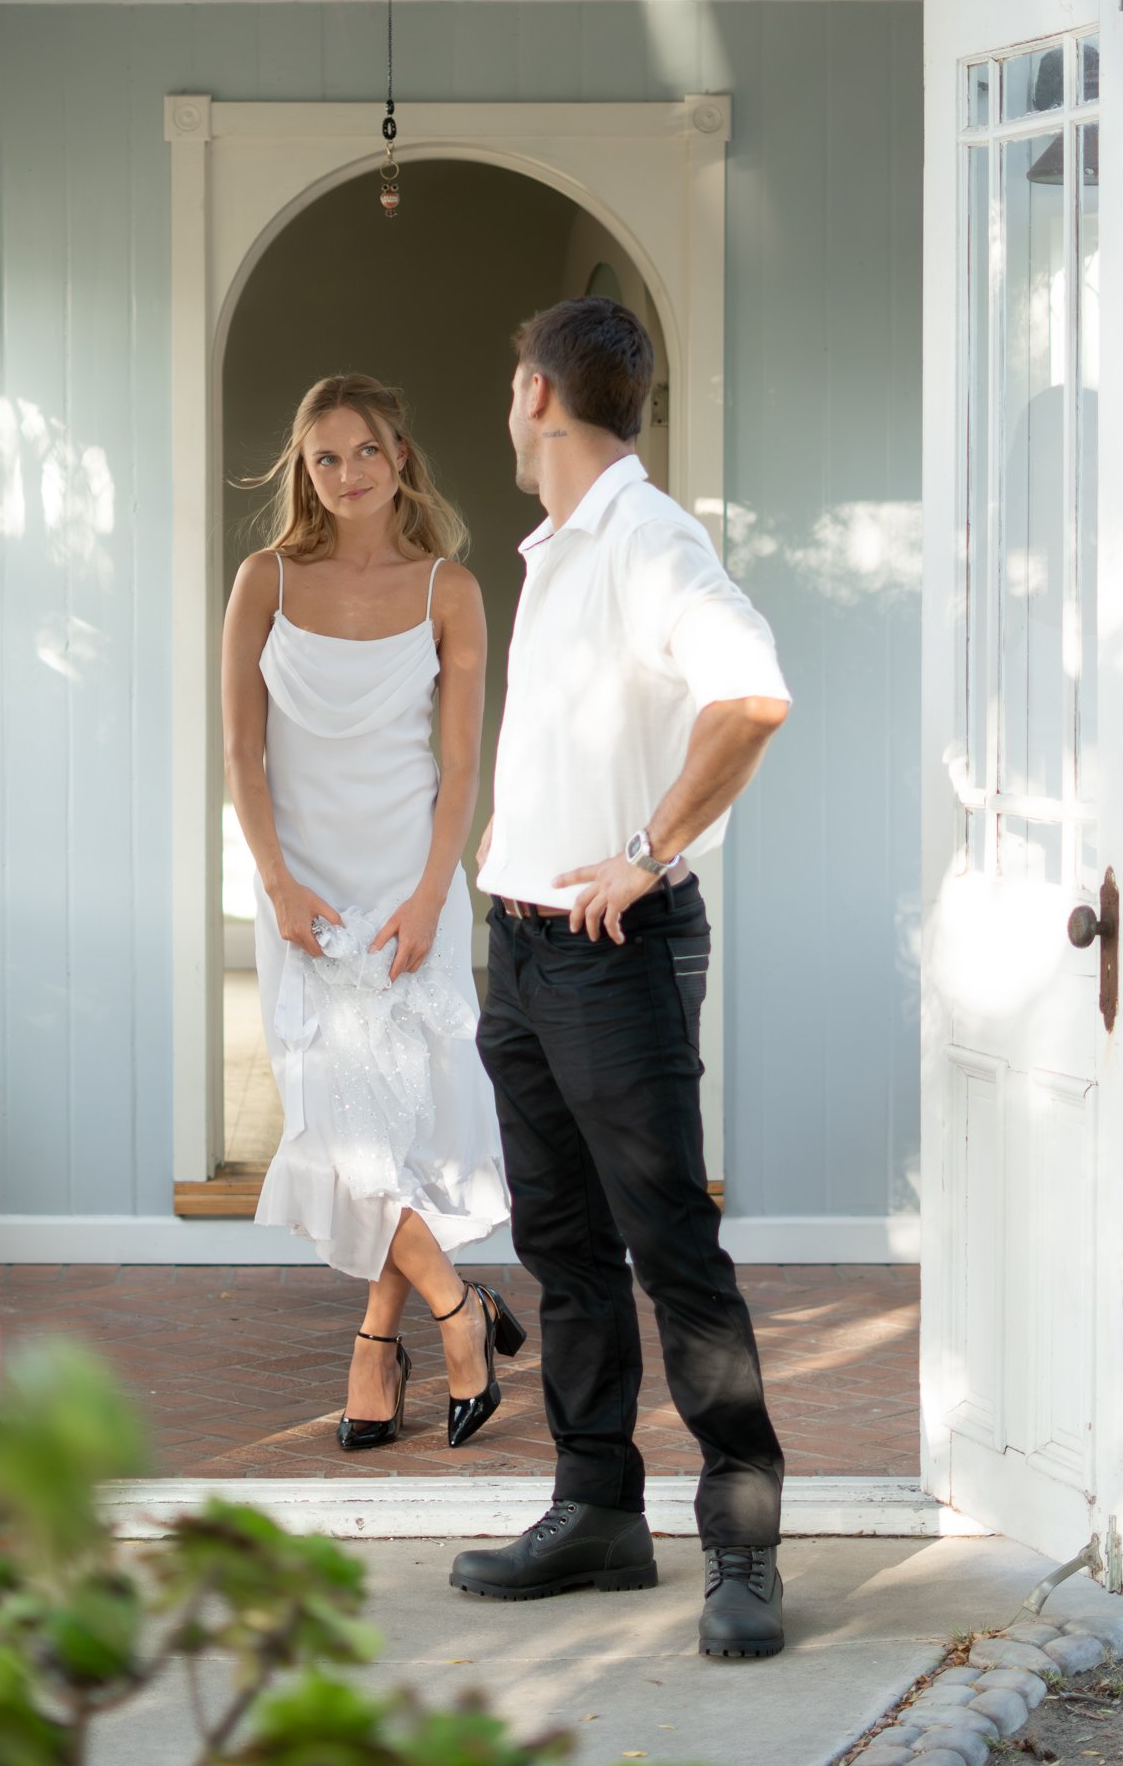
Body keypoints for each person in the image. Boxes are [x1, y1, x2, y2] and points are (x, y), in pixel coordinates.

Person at [450, 300, 792, 1659]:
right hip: (526, 947)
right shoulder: (563, 546)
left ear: (536, 390)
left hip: (610, 957)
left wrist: (644, 854)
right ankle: (596, 1508)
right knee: (564, 1249)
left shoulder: (649, 538)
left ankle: (745, 1551)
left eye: (511, 379)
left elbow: (750, 696)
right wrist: (520, 839)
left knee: (671, 1253)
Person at [222, 373, 524, 1454]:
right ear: (302, 471)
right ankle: (461, 1312)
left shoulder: (451, 589)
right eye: (322, 457)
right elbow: (241, 755)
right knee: (335, 1122)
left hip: (412, 888)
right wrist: (276, 881)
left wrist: (434, 894)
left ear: (402, 456)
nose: (344, 473)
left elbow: (458, 768)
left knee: (397, 1124)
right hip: (303, 890)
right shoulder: (264, 580)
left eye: (363, 451)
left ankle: (372, 1350)